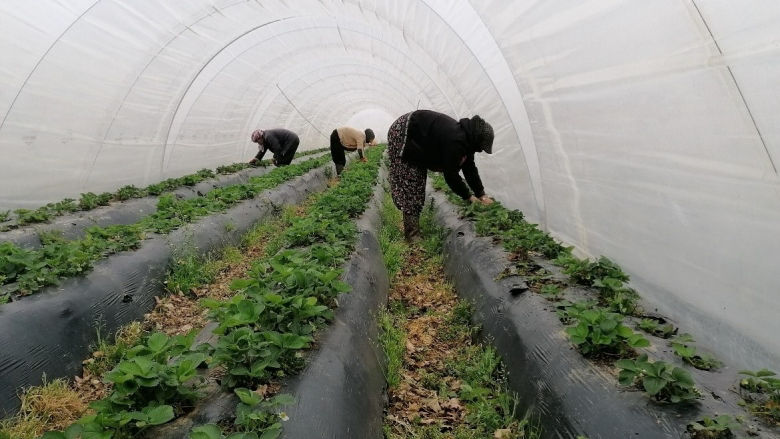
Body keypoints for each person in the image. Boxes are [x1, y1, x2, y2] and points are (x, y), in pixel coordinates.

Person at [387, 110, 495, 240]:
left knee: (417, 181)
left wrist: (481, 194)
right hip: (404, 132)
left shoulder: (466, 140)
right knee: (413, 182)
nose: (480, 150)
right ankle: (412, 236)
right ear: (477, 140)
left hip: (416, 135)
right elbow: (451, 175)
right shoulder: (456, 140)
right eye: (481, 147)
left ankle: (412, 232)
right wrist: (469, 197)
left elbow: (469, 168)